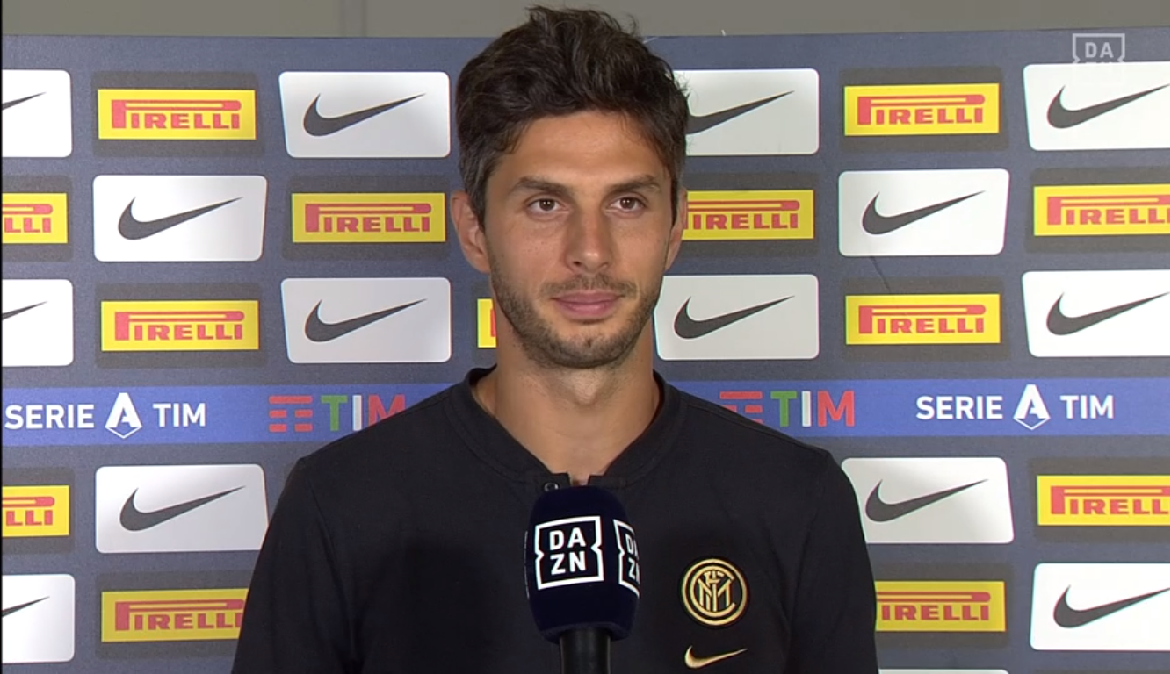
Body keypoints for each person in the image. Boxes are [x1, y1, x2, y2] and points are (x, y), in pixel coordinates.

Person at [232, 6, 878, 672]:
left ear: (676, 226)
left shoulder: (798, 503)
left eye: (627, 203)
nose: (590, 250)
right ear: (475, 230)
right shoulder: (341, 507)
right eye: (546, 204)